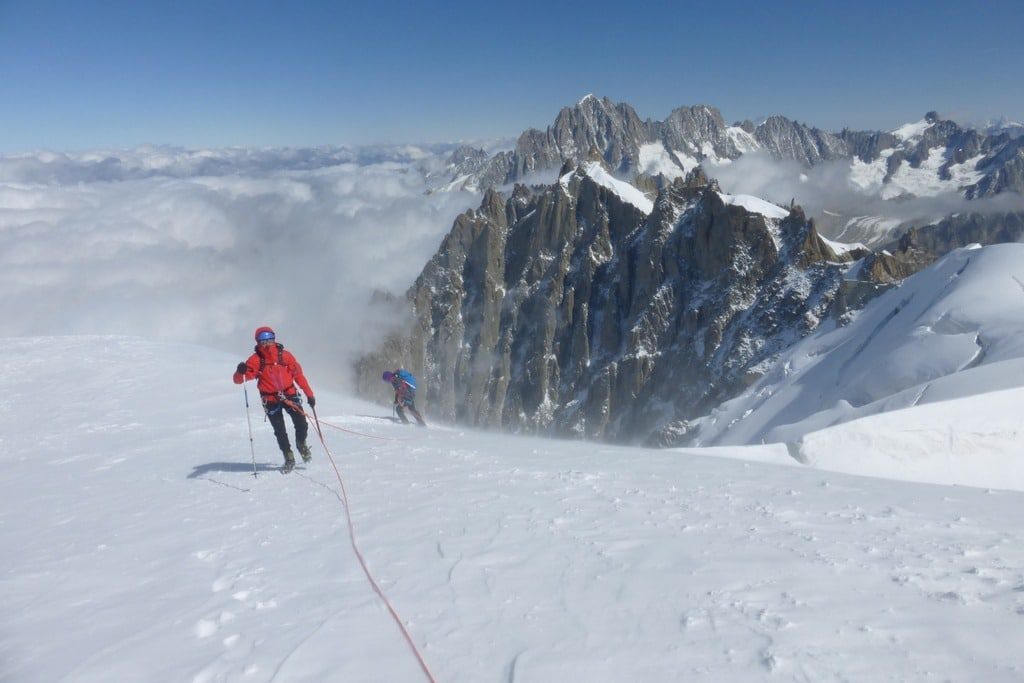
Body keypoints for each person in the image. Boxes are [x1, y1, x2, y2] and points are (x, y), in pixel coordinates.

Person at [234, 326, 316, 472]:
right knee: (280, 430)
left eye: (270, 339)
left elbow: (298, 376)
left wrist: (309, 394)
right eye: (263, 340)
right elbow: (239, 380)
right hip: (270, 399)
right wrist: (240, 372)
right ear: (258, 342)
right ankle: (288, 456)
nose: (267, 343)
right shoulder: (255, 360)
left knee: (301, 423)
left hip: (290, 394)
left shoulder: (286, 356)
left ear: (274, 339)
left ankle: (301, 443)